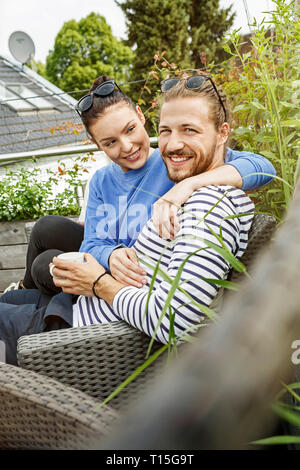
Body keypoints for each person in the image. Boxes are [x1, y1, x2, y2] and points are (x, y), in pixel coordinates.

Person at [0, 73, 254, 363]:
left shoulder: (196, 188)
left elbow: (175, 319)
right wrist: (109, 256)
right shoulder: (125, 177)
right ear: (98, 145)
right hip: (96, 301)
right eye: (167, 131)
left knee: (43, 266)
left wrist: (98, 282)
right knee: (25, 275)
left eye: (189, 131)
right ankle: (23, 291)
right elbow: (95, 242)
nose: (172, 145)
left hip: (89, 322)